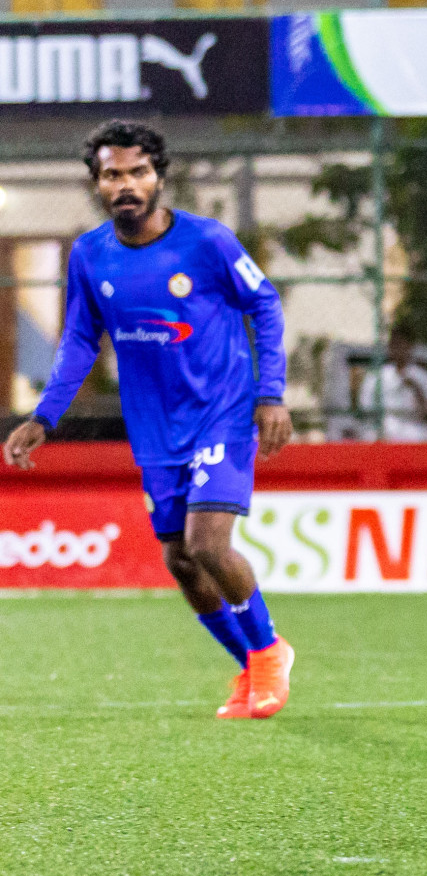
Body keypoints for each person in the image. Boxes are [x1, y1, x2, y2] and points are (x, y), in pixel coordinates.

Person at [3, 120, 296, 720]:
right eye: (113, 174)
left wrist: (271, 394)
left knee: (206, 542)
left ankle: (269, 655)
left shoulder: (208, 242)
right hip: (156, 429)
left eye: (138, 171)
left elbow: (264, 303)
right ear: (97, 184)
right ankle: (247, 666)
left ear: (158, 176)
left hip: (222, 413)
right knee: (179, 561)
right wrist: (45, 415)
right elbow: (82, 339)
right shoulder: (90, 255)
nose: (127, 184)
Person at [359, 324, 427, 442]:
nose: (396, 348)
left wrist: (415, 388)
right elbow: (365, 406)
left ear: (410, 346)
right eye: (393, 344)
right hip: (383, 432)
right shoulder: (377, 376)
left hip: (413, 431)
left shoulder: (423, 377)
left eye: (400, 344)